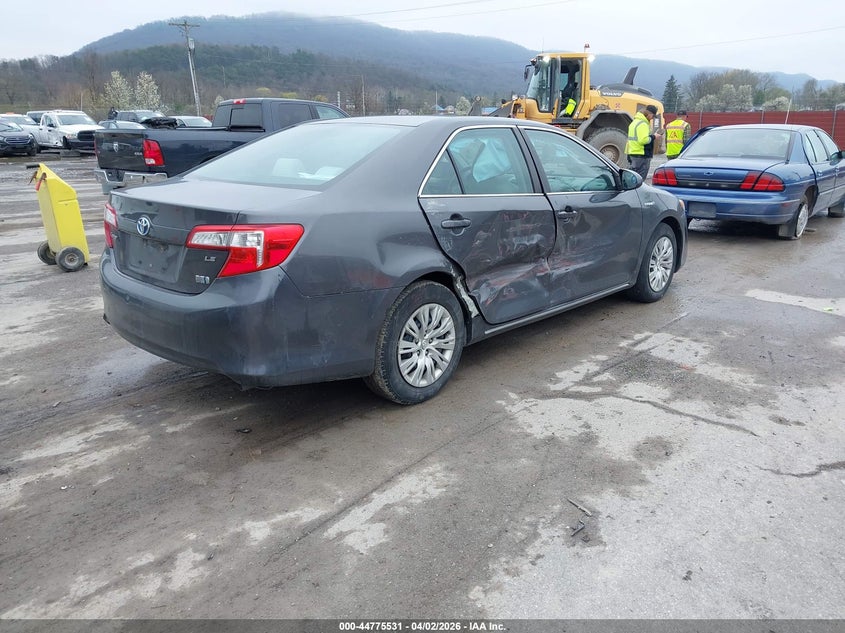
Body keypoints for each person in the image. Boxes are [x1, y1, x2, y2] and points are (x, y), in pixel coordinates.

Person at [625, 104, 662, 180]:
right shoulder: (643, 124)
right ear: (649, 114)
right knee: (640, 180)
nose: (652, 118)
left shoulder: (634, 122)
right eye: (652, 116)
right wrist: (654, 137)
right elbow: (644, 140)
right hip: (641, 155)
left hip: (633, 153)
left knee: (633, 179)